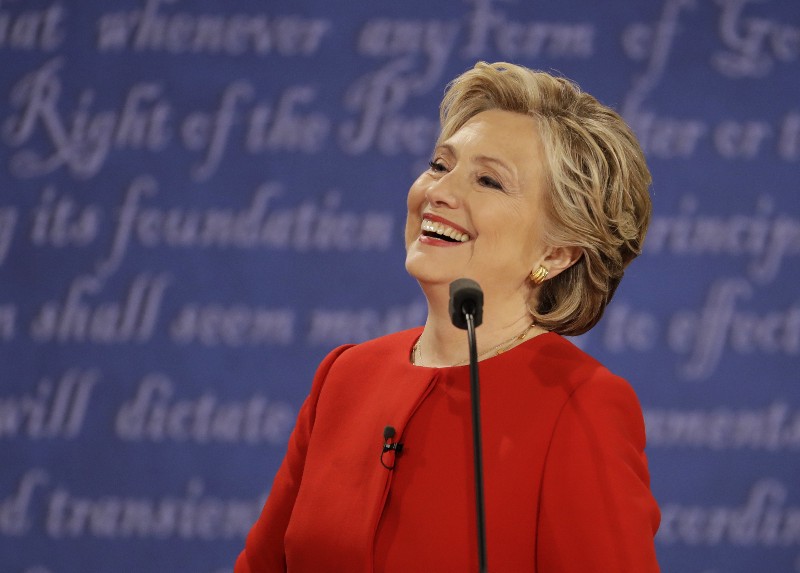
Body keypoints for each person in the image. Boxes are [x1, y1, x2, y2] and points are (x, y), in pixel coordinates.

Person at [235, 61, 660, 572]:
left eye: (488, 181)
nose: (439, 192)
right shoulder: (345, 377)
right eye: (440, 165)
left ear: (559, 251)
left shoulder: (580, 404)